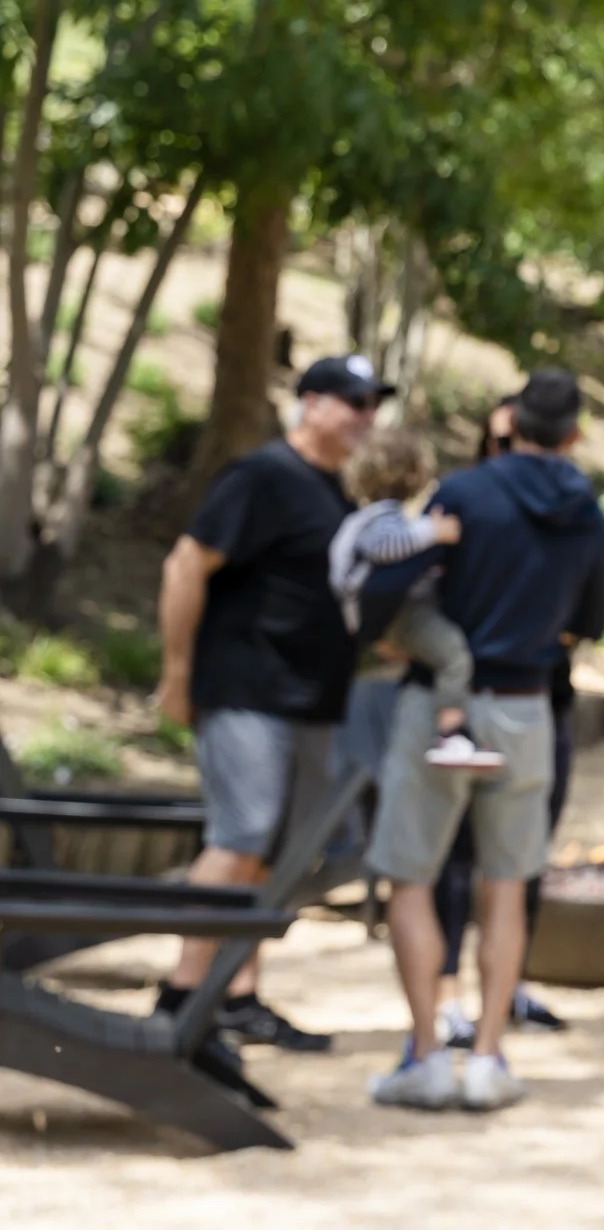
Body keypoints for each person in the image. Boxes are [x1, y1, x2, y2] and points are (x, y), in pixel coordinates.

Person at [365, 369, 604, 1113]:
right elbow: (589, 622)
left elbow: (401, 581)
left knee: (411, 875)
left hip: (441, 705)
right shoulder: (590, 514)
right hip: (528, 705)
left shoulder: (465, 494)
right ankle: (491, 1054)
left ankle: (426, 1050)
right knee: (507, 881)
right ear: (572, 434)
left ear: (509, 422)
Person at [153, 356, 385, 1053]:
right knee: (241, 834)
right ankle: (181, 993)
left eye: (372, 403)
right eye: (351, 400)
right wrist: (176, 670)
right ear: (310, 403)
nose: (365, 414)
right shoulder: (261, 477)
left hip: (313, 699)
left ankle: (238, 992)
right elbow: (185, 564)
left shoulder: (340, 494)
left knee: (275, 852)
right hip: (247, 690)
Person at [432, 395, 573, 1046]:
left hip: (537, 696)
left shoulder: (566, 511)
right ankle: (447, 998)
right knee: (453, 863)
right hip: (471, 701)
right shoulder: (463, 499)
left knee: (516, 865)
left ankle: (501, 994)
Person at [327, 429, 487, 769]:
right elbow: (384, 547)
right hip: (391, 613)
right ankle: (452, 732)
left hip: (377, 616)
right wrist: (433, 531)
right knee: (454, 654)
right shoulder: (381, 518)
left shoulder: (366, 516)